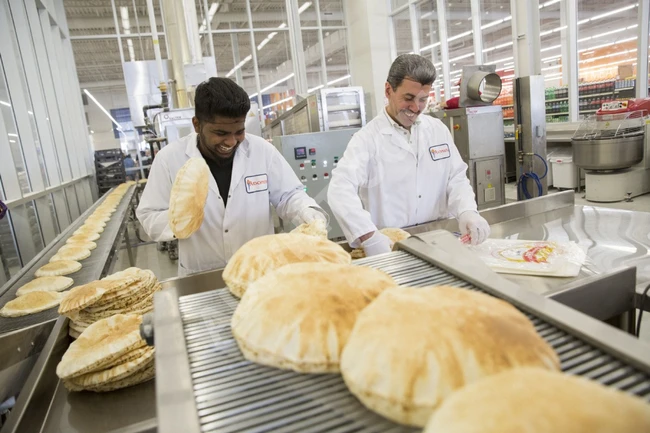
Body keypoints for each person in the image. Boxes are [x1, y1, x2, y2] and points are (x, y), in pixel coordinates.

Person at [137, 77, 327, 276]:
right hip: (201, 276)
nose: (231, 141)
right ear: (196, 125)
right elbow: (149, 216)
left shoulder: (262, 151)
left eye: (239, 131)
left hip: (257, 272)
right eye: (220, 132)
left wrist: (308, 213)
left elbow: (289, 196)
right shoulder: (169, 159)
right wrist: (181, 220)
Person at [327, 54, 490, 256]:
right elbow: (340, 189)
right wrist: (368, 236)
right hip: (390, 246)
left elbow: (455, 178)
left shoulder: (437, 130)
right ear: (388, 90)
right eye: (408, 98)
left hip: (439, 240)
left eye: (423, 100)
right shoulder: (367, 139)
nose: (415, 108)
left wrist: (467, 211)